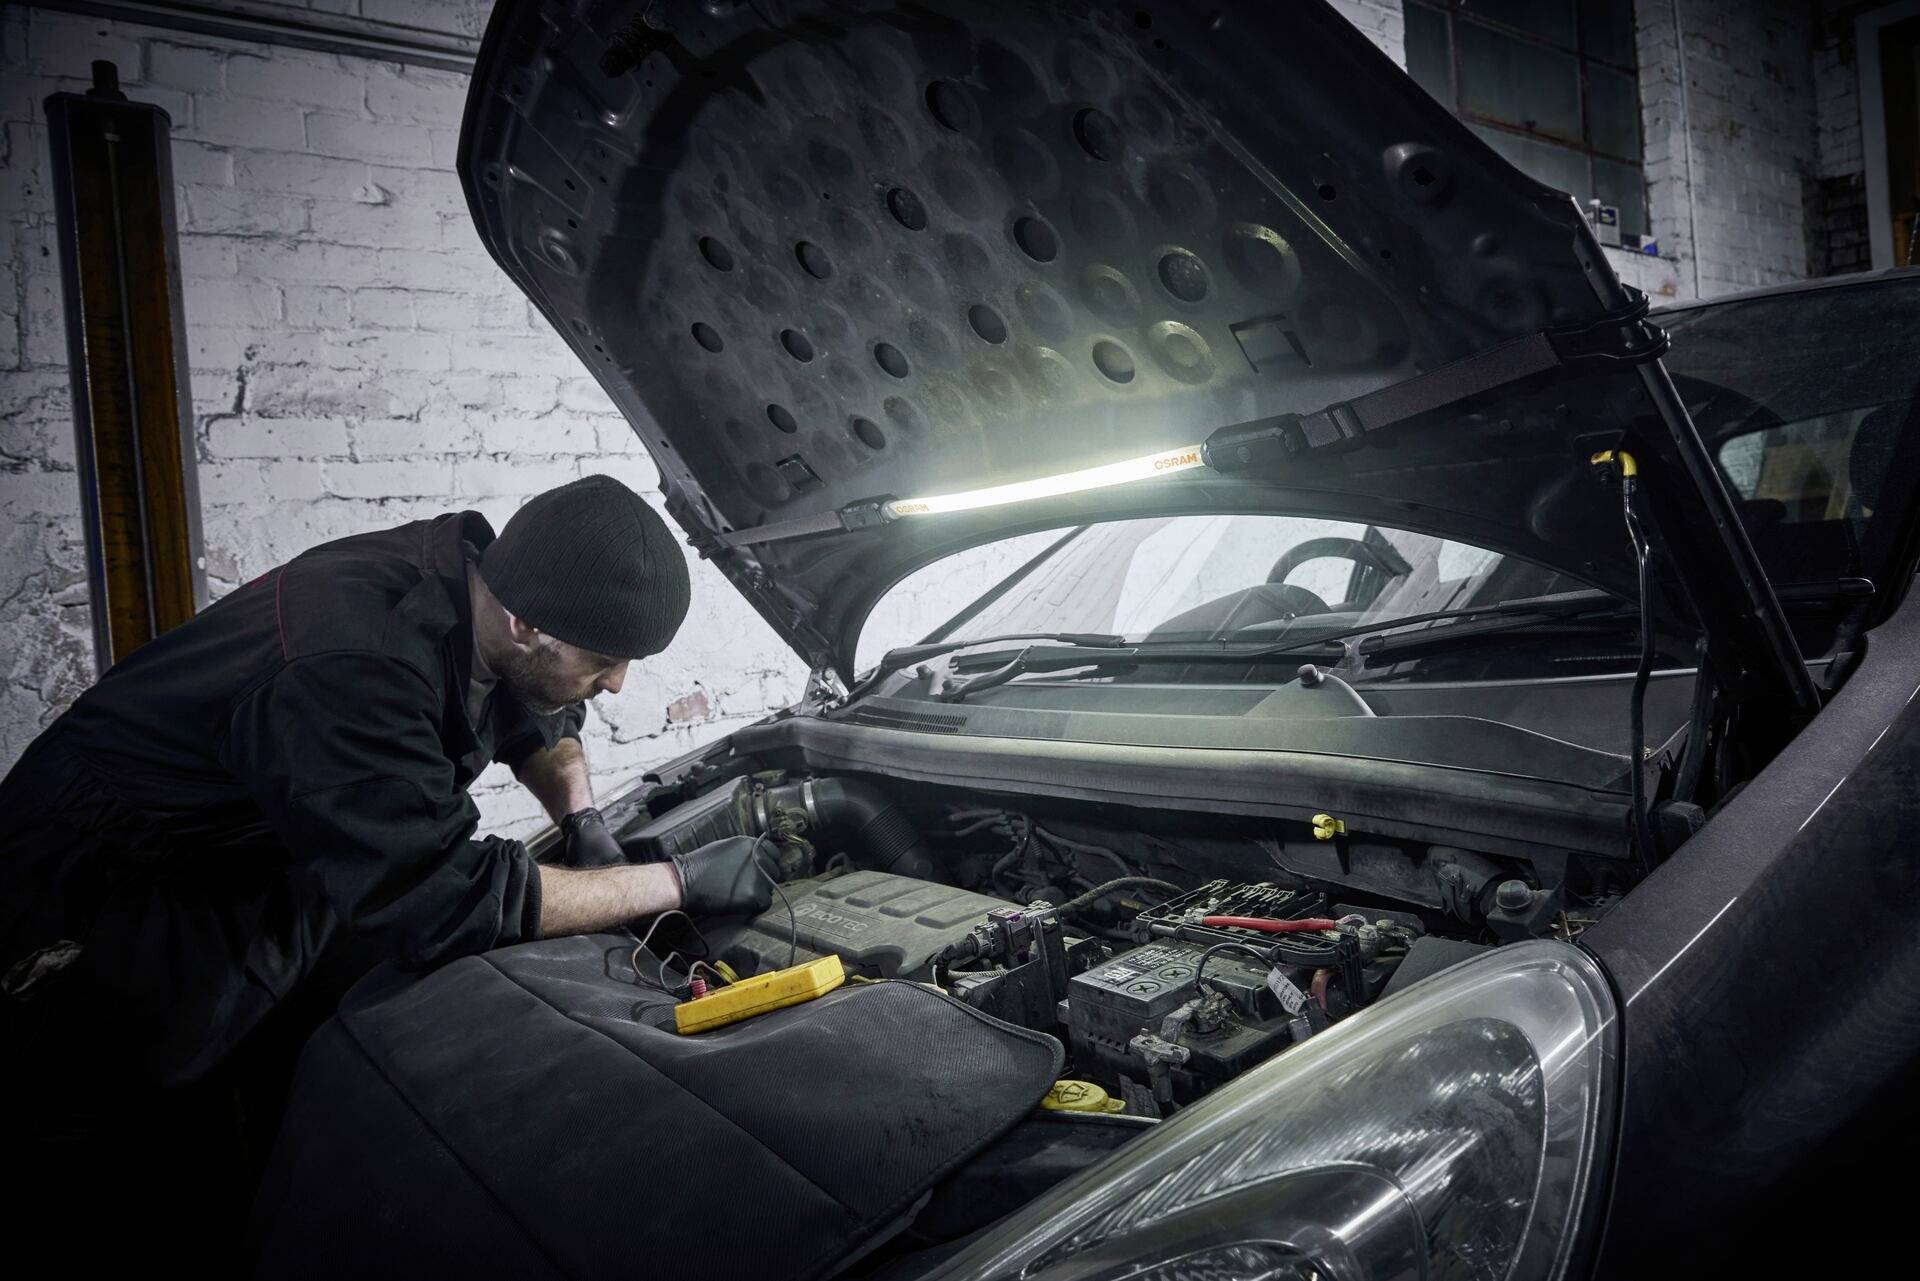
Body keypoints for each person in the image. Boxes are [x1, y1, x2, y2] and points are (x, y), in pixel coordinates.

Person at [0, 473, 776, 1134]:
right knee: (130, 1126)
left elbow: (535, 706)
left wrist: (583, 821)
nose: (616, 684)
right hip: (106, 885)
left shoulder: (480, 584)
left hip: (274, 854)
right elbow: (440, 895)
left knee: (305, 1071)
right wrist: (672, 882)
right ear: (525, 623)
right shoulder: (358, 662)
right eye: (604, 660)